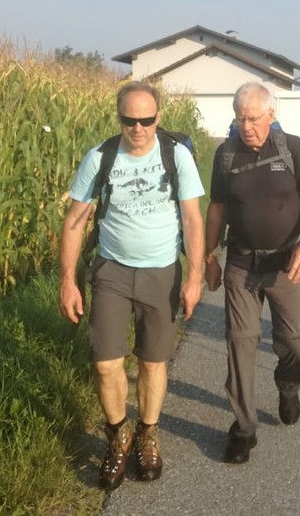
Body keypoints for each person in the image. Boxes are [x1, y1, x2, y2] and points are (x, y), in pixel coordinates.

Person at [58, 81, 204, 489]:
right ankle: (118, 434)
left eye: (146, 120)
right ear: (118, 117)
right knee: (106, 364)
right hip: (112, 272)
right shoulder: (101, 157)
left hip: (162, 272)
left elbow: (193, 218)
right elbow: (75, 221)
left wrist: (194, 277)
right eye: (129, 120)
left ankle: (148, 434)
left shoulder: (176, 155)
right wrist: (67, 281)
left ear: (158, 118)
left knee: (152, 362)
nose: (137, 128)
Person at [204, 83, 300, 465]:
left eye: (253, 118)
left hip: (286, 263)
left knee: (295, 339)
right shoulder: (226, 155)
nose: (247, 126)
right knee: (240, 341)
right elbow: (216, 208)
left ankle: (288, 387)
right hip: (242, 263)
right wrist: (209, 257)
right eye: (240, 118)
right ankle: (244, 428)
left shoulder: (293, 149)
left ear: (271, 115)